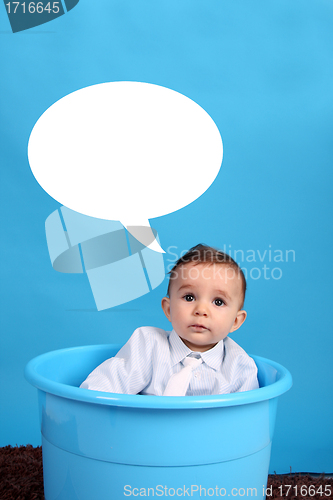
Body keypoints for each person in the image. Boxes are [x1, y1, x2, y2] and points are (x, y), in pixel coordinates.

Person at [80, 244, 259, 396]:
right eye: (189, 297)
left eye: (218, 302)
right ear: (168, 309)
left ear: (236, 321)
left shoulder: (240, 367)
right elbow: (107, 383)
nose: (201, 310)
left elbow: (247, 420)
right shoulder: (147, 345)